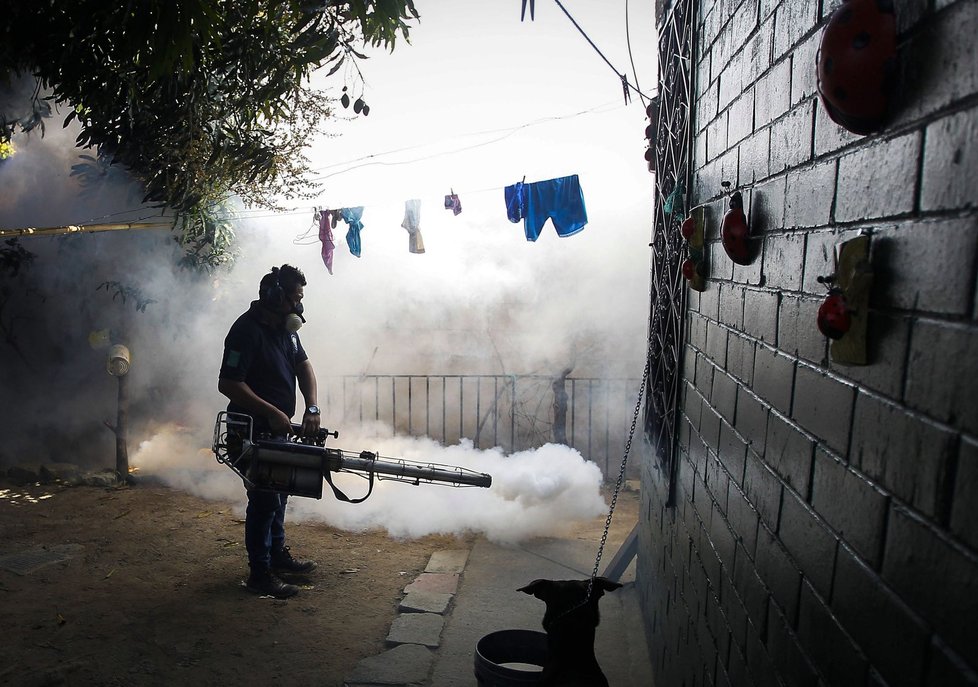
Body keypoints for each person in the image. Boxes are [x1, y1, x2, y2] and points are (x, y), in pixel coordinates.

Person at [218, 264, 321, 599]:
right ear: (275, 297)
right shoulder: (245, 331)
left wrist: (312, 407)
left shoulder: (286, 330)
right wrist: (271, 411)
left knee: (279, 494)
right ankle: (259, 574)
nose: (299, 307)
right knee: (264, 499)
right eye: (295, 298)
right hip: (249, 430)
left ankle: (276, 555)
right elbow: (229, 383)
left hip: (275, 430)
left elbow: (303, 366)